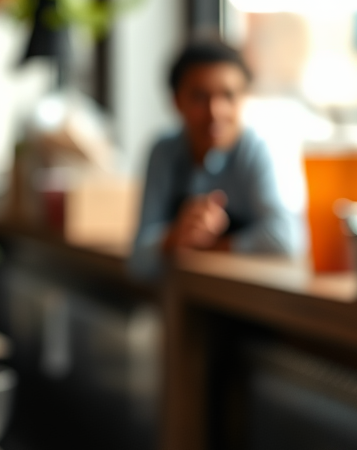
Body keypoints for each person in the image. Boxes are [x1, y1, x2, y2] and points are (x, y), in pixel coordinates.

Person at [129, 37, 302, 280]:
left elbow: (287, 239)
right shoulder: (164, 152)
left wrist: (206, 248)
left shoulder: (258, 150)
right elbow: (138, 259)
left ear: (244, 98)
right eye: (200, 97)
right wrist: (174, 237)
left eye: (228, 96)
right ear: (176, 101)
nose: (215, 112)